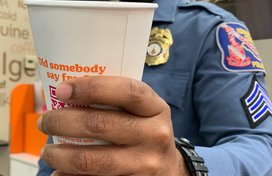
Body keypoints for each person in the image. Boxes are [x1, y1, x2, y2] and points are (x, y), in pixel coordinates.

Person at [36, 0, 272, 175]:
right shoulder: (79, 22)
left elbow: (261, 147)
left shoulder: (212, 29)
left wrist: (181, 166)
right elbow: (62, 146)